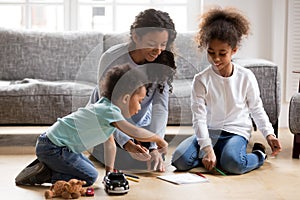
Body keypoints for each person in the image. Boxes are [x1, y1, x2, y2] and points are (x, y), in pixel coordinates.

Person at [15, 64, 168, 186]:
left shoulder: (106, 109)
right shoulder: (109, 111)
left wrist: (109, 172)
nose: (140, 107)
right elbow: (134, 131)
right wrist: (158, 140)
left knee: (88, 168)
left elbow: (110, 145)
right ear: (126, 98)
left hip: (57, 146)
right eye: (140, 101)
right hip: (53, 147)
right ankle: (45, 174)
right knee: (90, 176)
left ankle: (47, 166)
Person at [171, 7, 282, 175]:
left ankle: (258, 154)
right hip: (210, 131)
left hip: (236, 132)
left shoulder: (246, 77)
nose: (216, 59)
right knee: (179, 160)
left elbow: (256, 109)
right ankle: (214, 155)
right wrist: (207, 147)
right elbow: (199, 118)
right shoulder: (201, 80)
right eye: (211, 52)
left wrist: (269, 135)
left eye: (222, 53)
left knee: (233, 164)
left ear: (234, 50)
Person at [89, 8, 177, 172]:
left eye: (163, 45)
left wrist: (153, 147)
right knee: (123, 161)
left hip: (139, 126)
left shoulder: (163, 62)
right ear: (136, 36)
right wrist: (126, 143)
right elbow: (106, 108)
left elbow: (160, 107)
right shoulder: (111, 57)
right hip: (107, 125)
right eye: (151, 44)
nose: (158, 51)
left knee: (150, 160)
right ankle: (100, 148)